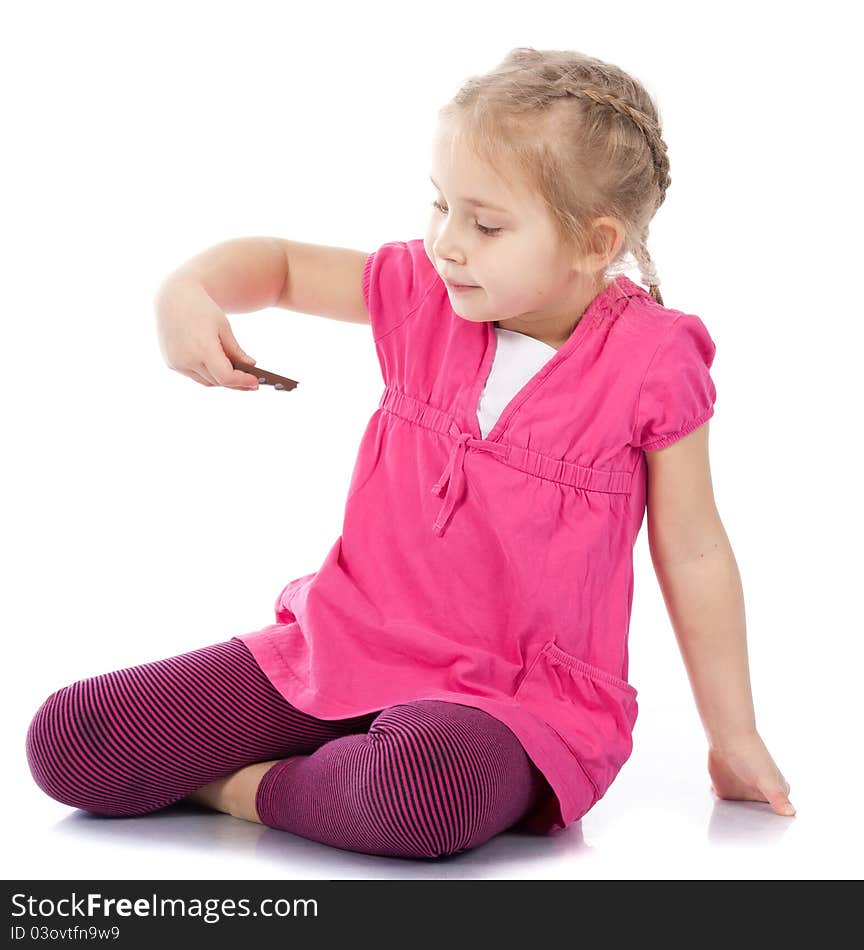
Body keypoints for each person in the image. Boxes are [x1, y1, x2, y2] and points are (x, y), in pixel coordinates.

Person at [25, 47, 794, 862]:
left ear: (594, 241)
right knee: (74, 739)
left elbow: (696, 549)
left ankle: (250, 788)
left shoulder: (653, 361)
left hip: (514, 699)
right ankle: (330, 773)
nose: (448, 243)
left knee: (423, 792)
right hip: (349, 643)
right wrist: (187, 289)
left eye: (486, 223)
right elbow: (283, 267)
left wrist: (734, 736)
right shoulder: (422, 295)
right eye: (441, 207)